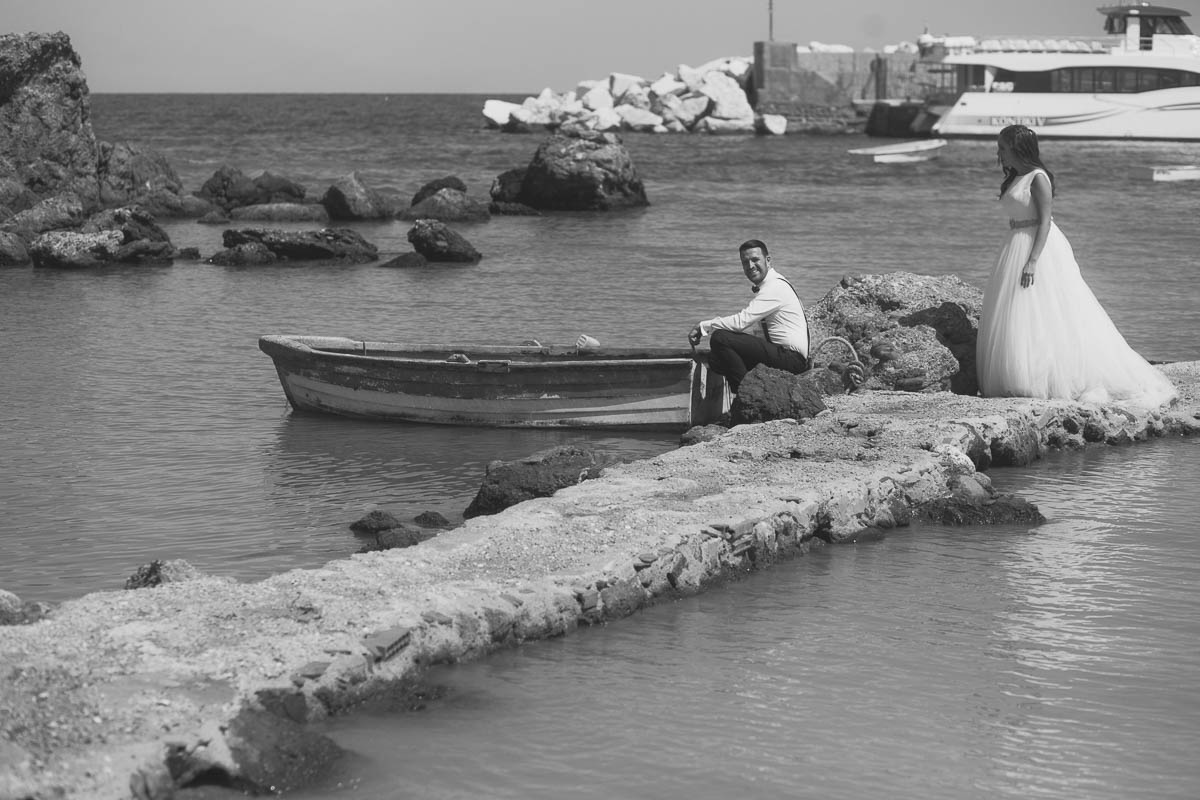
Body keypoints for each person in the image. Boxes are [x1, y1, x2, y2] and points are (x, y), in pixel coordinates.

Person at [976, 124, 1176, 408]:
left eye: (1003, 148)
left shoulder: (1037, 177)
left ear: (1018, 149)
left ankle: (1047, 376)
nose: (999, 154)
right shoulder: (1015, 177)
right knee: (1018, 311)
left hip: (1038, 246)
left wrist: (1032, 261)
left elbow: (1045, 221)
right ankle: (1021, 375)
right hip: (1013, 243)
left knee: (1049, 309)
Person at [688, 239, 809, 394]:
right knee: (716, 359)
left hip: (791, 359)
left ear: (768, 260)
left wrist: (703, 326)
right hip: (784, 355)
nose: (750, 266)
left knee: (720, 338)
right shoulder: (772, 284)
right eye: (745, 262)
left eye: (755, 260)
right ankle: (751, 391)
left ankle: (745, 395)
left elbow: (741, 322)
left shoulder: (775, 287)